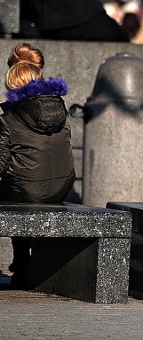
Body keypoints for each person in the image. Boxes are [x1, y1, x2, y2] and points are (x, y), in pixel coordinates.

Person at [0, 43, 76, 287]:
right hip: (62, 186)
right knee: (27, 183)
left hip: (26, 188)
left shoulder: (10, 118)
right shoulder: (61, 109)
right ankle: (29, 262)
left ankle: (22, 260)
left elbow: (1, 163)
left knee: (17, 189)